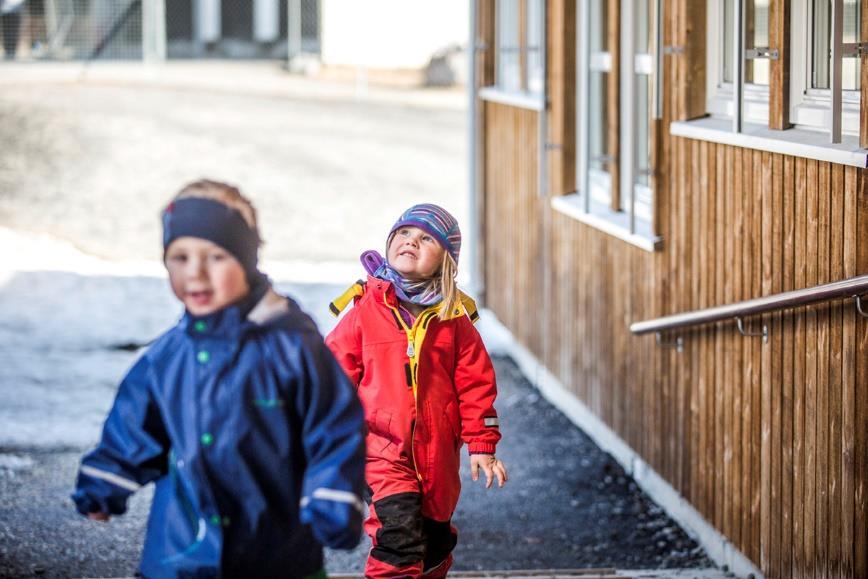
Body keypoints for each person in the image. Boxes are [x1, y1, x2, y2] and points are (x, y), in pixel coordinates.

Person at [71, 179, 366, 579]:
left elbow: (333, 426)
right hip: (179, 554)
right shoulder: (169, 356)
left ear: (246, 260)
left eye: (215, 256)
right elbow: (135, 426)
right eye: (180, 257)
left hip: (276, 553)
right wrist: (105, 481)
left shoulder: (293, 345)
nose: (195, 273)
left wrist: (332, 496)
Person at [326, 203, 508, 578]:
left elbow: (476, 385)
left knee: (435, 542)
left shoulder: (454, 319)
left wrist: (482, 444)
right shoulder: (365, 309)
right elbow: (333, 374)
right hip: (379, 450)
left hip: (436, 455)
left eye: (426, 238)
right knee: (399, 538)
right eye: (404, 234)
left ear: (446, 262)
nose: (412, 242)